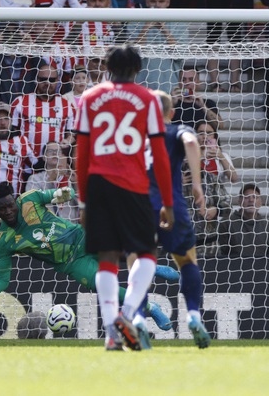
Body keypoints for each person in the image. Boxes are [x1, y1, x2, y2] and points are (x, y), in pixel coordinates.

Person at [0, 183, 176, 333]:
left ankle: (150, 267)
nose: (8, 211)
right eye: (2, 209)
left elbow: (58, 194)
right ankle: (151, 307)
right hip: (73, 264)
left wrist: (62, 193)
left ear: (15, 200)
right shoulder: (5, 241)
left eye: (10, 205)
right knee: (109, 289)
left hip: (82, 237)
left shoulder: (30, 200)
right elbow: (2, 280)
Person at [74, 45, 174, 351]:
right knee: (145, 255)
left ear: (107, 66)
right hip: (133, 185)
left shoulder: (89, 97)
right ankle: (127, 314)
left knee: (107, 258)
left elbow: (81, 153)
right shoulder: (147, 99)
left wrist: (83, 201)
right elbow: (159, 154)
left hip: (99, 183)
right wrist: (167, 202)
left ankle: (111, 330)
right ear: (137, 69)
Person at [148, 90, 210, 349]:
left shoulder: (132, 136)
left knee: (139, 263)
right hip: (172, 204)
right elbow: (193, 142)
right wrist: (196, 184)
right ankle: (194, 315)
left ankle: (138, 321)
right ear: (171, 113)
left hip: (138, 207)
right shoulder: (176, 131)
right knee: (187, 262)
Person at [11, 58, 75, 157]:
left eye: (51, 80)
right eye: (43, 79)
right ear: (36, 80)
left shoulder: (66, 105)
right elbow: (12, 132)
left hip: (55, 162)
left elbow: (71, 134)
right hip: (26, 163)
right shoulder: (20, 102)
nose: (47, 83)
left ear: (57, 81)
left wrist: (67, 141)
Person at [0, 101, 36, 194]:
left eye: (6, 118)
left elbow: (37, 165)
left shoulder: (22, 141)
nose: (3, 123)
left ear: (12, 121)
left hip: (14, 201)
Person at [218, 183, 269, 258]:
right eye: (247, 197)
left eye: (255, 197)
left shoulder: (268, 227)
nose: (251, 200)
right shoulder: (226, 223)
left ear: (261, 203)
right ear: (239, 201)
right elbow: (222, 254)